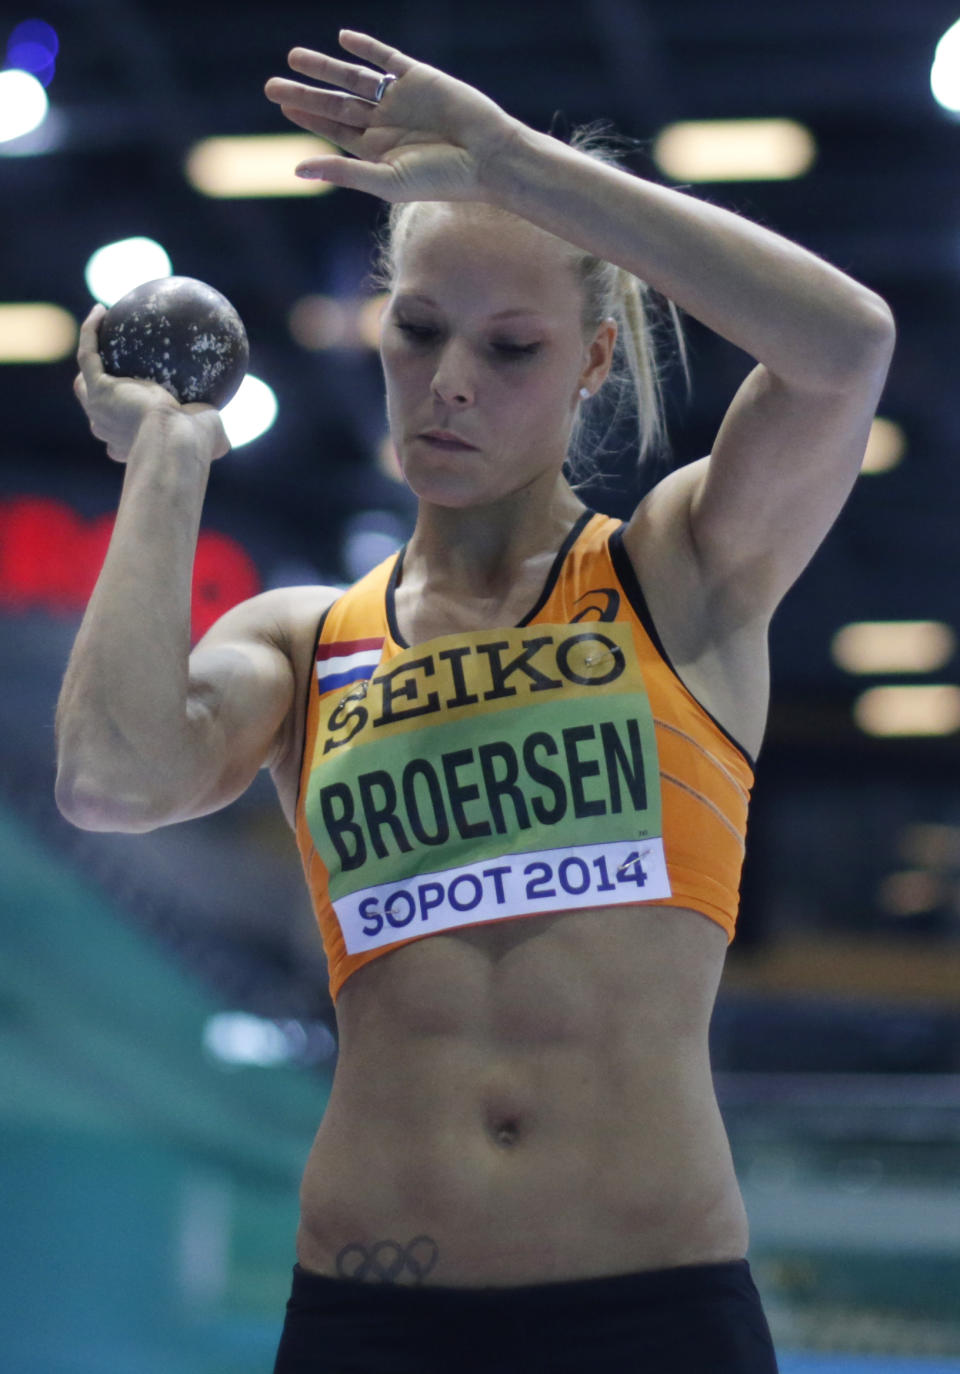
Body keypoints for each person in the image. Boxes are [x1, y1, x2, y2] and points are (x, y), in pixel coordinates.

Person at [55, 28, 895, 1374]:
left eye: (511, 346)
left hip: (653, 1312)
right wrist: (170, 457)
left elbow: (847, 347)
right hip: (372, 1313)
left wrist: (516, 164)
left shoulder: (680, 570)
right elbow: (110, 775)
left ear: (593, 363)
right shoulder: (305, 639)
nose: (448, 379)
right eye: (419, 328)